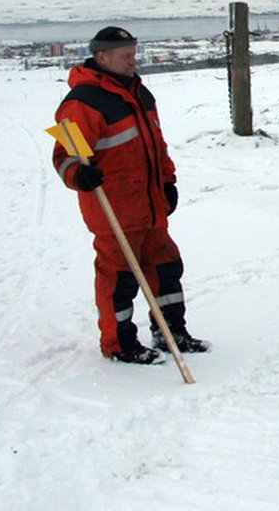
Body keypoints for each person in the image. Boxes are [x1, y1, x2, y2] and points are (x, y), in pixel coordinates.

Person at [52, 26, 209, 364]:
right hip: (114, 210)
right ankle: (119, 344)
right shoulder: (83, 102)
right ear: (102, 57)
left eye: (133, 53)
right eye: (125, 56)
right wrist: (80, 173)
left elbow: (156, 144)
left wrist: (168, 181)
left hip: (150, 206)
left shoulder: (139, 93)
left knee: (166, 269)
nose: (132, 61)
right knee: (119, 279)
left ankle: (170, 332)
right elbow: (64, 157)